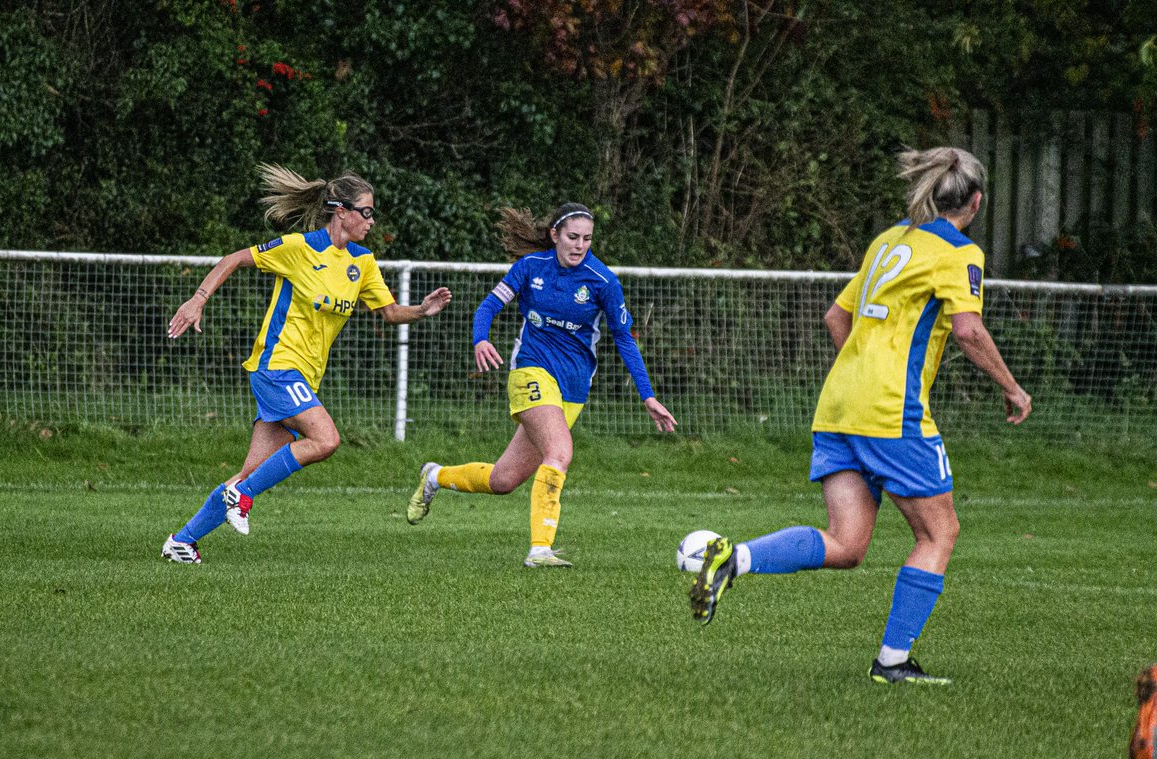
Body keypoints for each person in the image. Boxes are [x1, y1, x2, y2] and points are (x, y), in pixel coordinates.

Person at [689, 147, 1032, 684]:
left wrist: (862, 372)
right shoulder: (959, 252)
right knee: (938, 534)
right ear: (977, 201)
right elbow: (967, 330)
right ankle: (892, 662)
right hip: (890, 412)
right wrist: (1012, 387)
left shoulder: (888, 240)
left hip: (838, 405)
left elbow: (835, 316)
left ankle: (735, 559)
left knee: (847, 544)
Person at [161, 163, 452, 564]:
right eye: (366, 211)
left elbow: (388, 312)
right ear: (342, 211)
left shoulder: (362, 263)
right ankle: (240, 498)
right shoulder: (299, 248)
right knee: (326, 440)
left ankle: (183, 540)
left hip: (303, 377)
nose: (372, 220)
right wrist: (198, 299)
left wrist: (421, 310)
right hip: (276, 366)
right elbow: (233, 259)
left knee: (251, 472)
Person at [405, 202, 677, 567]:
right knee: (560, 452)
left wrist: (648, 395)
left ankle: (435, 476)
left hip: (573, 390)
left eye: (587, 239)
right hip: (530, 373)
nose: (580, 245)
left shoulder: (603, 282)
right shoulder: (530, 268)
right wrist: (480, 339)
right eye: (573, 237)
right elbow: (487, 306)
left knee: (504, 480)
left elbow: (624, 338)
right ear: (555, 236)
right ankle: (540, 549)